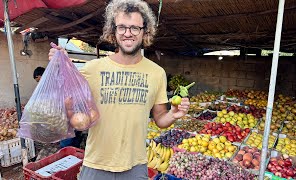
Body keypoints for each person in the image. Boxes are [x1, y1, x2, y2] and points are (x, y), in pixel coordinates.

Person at [48, 0, 190, 179]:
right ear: (113, 31)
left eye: (134, 28)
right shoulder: (92, 69)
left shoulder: (156, 73)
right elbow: (68, 102)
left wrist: (173, 115)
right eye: (121, 27)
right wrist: (61, 65)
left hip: (136, 166)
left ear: (145, 31)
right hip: (96, 164)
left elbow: (160, 118)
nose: (128, 33)